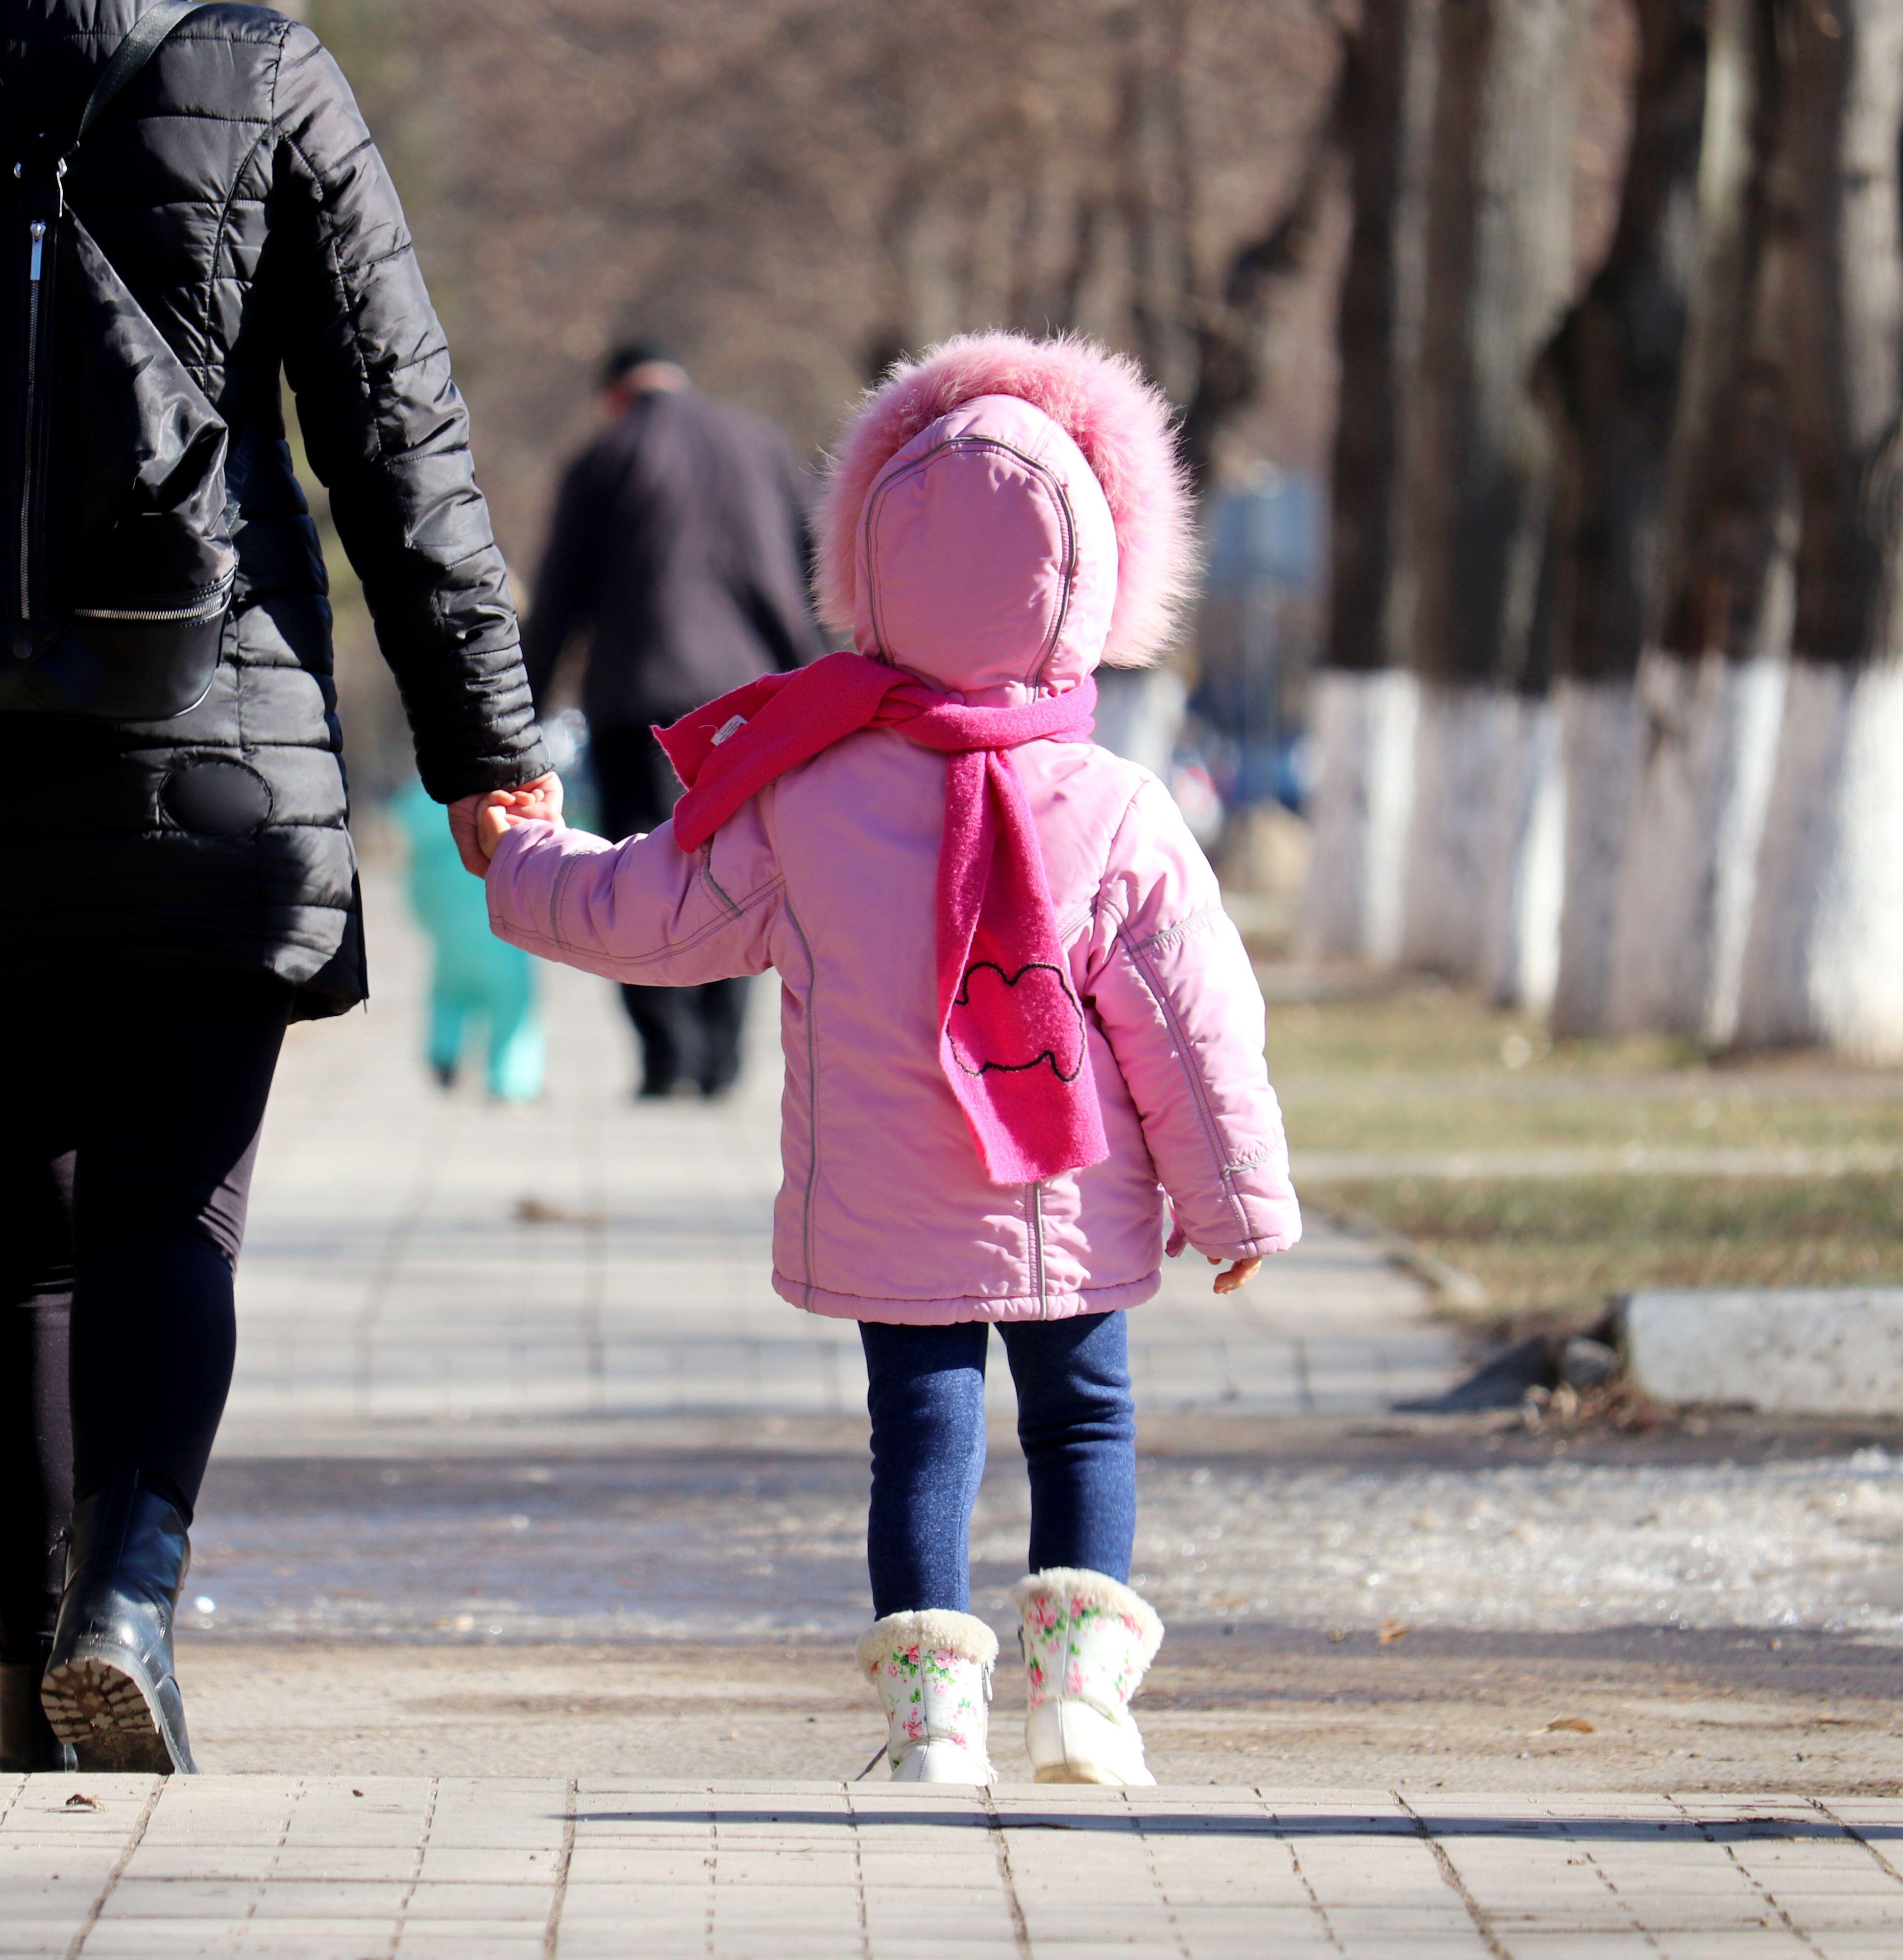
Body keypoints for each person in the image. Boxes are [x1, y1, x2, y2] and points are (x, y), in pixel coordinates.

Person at [0, 0, 556, 1777]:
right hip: (213, 747)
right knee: (171, 1213)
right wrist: (485, 740)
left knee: (26, 1244)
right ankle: (132, 1607)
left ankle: (32, 1681)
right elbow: (393, 433)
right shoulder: (264, 72)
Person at [471, 333, 1300, 1786]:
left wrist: (520, 857)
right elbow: (1192, 1023)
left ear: (863, 561)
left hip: (883, 1198)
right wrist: (1234, 1207)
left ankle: (931, 1725)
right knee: (1082, 1416)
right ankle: (1084, 1703)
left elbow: (653, 911)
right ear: (1099, 571)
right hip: (1067, 1190)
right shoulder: (1115, 805)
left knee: (917, 1433)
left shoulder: (806, 792)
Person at [523, 343, 824, 1098]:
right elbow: (820, 569)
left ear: (614, 396)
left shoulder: (607, 456)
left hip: (639, 701)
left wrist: (512, 716)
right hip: (758, 705)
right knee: (746, 868)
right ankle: (722, 1056)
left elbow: (559, 595)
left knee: (642, 868)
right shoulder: (763, 445)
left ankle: (668, 1053)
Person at [396, 790, 543, 1102]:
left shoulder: (427, 854)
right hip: (506, 944)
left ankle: (444, 1055)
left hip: (451, 946)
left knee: (448, 998)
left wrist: (433, 928)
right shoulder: (502, 823)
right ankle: (512, 1081)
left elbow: (418, 901)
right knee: (511, 1008)